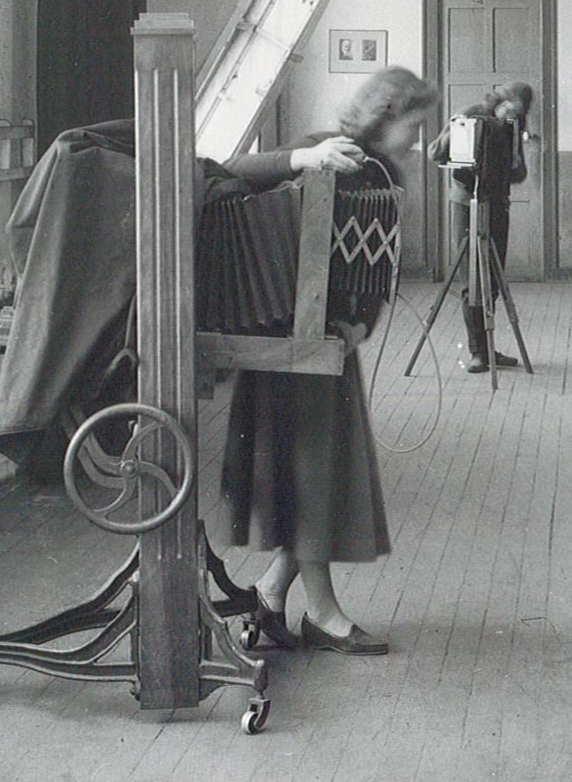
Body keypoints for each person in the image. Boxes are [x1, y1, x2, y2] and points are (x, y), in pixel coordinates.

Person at [219, 66, 438, 656]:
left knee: (319, 478)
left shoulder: (386, 173)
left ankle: (270, 594)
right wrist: (299, 163)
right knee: (314, 478)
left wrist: (362, 324)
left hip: (330, 348)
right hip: (283, 343)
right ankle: (323, 613)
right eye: (413, 127)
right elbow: (227, 174)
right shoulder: (321, 146)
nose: (418, 140)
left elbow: (377, 264)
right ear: (384, 116)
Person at [425, 81, 533, 374]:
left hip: (498, 203)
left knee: (494, 278)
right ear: (501, 99)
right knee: (472, 277)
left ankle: (487, 349)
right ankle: (476, 352)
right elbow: (435, 152)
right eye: (511, 107)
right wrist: (462, 136)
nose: (513, 113)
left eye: (519, 111)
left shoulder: (514, 124)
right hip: (466, 204)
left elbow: (519, 173)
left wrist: (508, 155)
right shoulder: (468, 114)